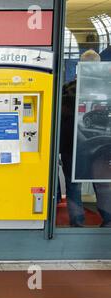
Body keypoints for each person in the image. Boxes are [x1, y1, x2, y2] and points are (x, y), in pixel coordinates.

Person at [60, 49, 111, 227]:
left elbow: (62, 115)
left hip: (71, 145)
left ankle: (77, 222)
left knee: (74, 185)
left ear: (79, 67)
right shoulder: (107, 89)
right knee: (103, 184)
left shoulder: (67, 88)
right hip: (103, 144)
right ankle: (108, 220)